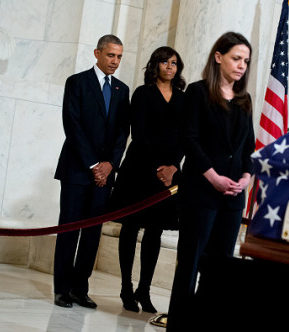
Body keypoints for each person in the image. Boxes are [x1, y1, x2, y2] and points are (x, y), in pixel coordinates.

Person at [165, 32, 255, 331]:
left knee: (221, 265)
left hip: (232, 196)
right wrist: (213, 176)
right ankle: (179, 323)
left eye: (245, 60)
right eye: (236, 58)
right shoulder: (198, 91)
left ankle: (206, 323)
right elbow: (189, 139)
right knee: (191, 260)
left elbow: (247, 149)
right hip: (201, 191)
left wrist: (245, 177)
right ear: (218, 57)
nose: (242, 65)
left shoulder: (244, 100)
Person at [53, 34, 130, 309]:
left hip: (105, 175)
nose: (115, 61)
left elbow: (123, 131)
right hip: (76, 170)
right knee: (70, 230)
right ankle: (61, 289)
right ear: (97, 53)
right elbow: (71, 124)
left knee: (93, 233)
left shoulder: (123, 89)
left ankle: (79, 289)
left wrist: (110, 164)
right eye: (111, 55)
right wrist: (93, 164)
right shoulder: (77, 82)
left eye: (119, 56)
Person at [110, 46, 186, 313]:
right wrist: (159, 167)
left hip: (170, 173)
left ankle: (145, 289)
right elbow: (139, 133)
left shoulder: (182, 98)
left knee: (155, 231)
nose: (169, 66)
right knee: (131, 227)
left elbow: (186, 137)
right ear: (156, 65)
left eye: (174, 63)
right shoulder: (142, 93)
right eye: (165, 62)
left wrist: (173, 166)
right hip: (140, 169)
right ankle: (126, 287)